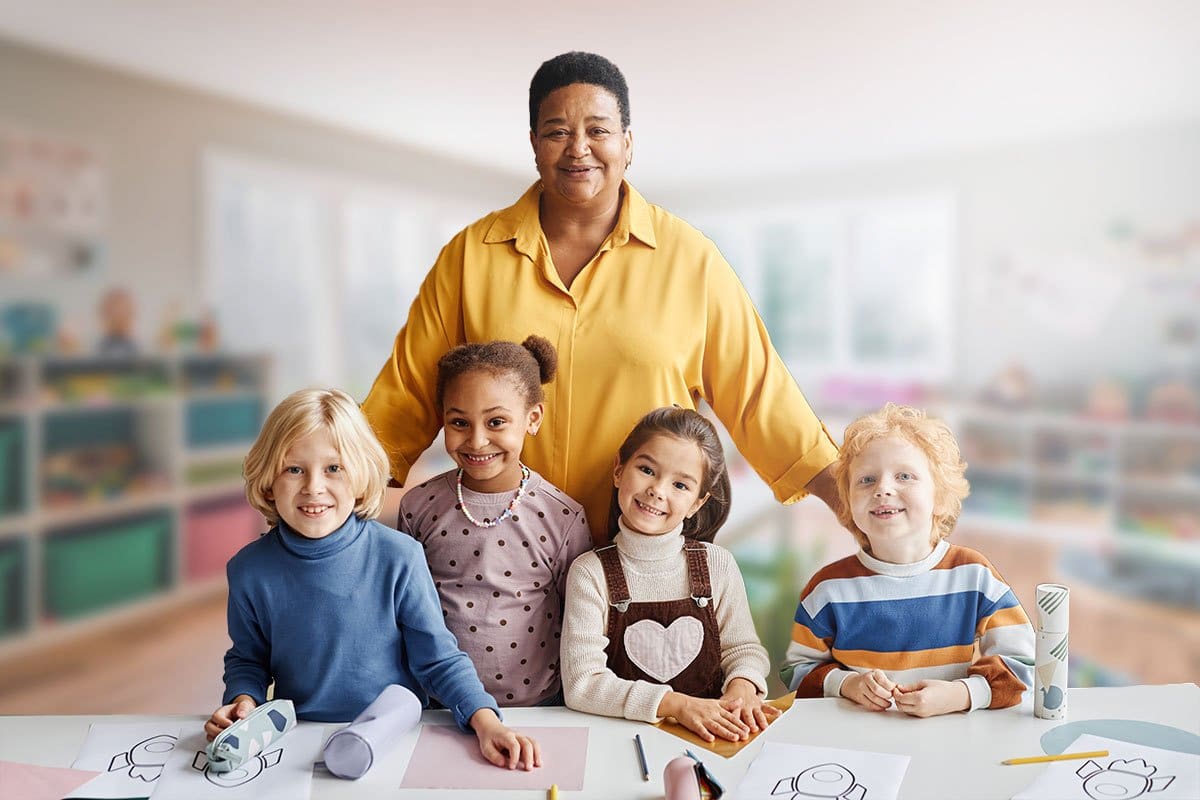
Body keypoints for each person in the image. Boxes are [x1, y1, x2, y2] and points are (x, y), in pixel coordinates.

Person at [361, 51, 839, 546]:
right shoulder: (469, 257)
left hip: (639, 559)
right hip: (497, 559)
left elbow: (759, 394)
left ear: (628, 143)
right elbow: (405, 398)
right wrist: (329, 487)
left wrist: (853, 500)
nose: (578, 150)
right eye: (557, 132)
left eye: (598, 130)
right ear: (533, 144)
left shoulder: (692, 260)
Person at [206, 388, 541, 770]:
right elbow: (248, 659)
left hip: (395, 737)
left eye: (334, 468)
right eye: (294, 469)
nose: (313, 486)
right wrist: (243, 701)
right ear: (268, 480)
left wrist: (486, 722)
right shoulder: (249, 570)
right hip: (301, 744)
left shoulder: (399, 556)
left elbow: (439, 660)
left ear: (362, 475)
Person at [780, 403, 1035, 717]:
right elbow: (796, 674)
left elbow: (1025, 667)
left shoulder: (974, 576)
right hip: (859, 747)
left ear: (939, 497)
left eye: (904, 476)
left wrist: (961, 694)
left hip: (950, 741)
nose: (883, 489)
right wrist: (847, 684)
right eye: (866, 480)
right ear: (848, 503)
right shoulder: (827, 589)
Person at [560, 407, 779, 742]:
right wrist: (676, 705)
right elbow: (582, 684)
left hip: (713, 741)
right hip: (623, 742)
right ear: (619, 470)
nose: (658, 490)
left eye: (680, 484)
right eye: (647, 470)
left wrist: (743, 688)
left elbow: (743, 649)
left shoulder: (717, 564)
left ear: (697, 502)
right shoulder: (590, 572)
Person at [398, 336, 591, 706]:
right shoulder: (418, 507)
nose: (477, 440)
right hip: (440, 708)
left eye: (496, 421)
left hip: (538, 709)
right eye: (459, 422)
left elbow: (579, 623)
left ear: (532, 418)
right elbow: (408, 613)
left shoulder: (562, 516)